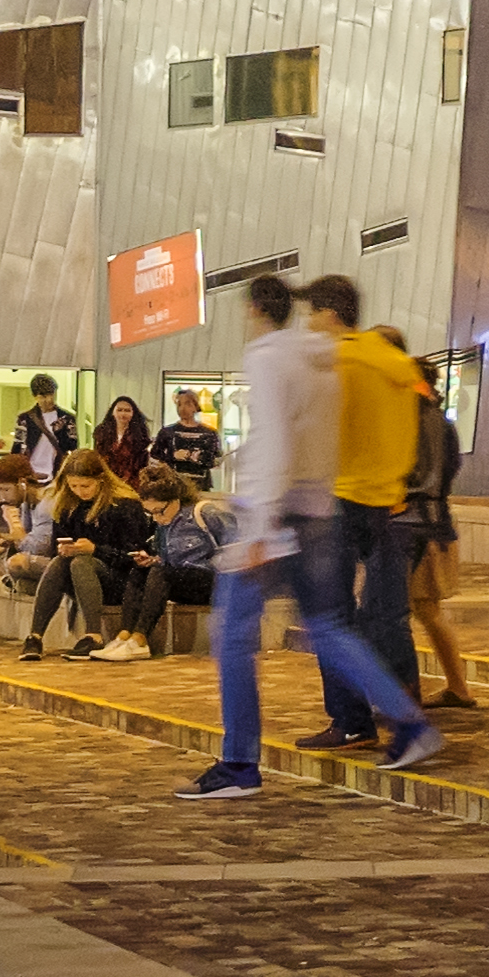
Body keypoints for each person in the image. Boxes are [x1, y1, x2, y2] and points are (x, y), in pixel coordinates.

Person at [184, 276, 431, 798]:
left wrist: (258, 527)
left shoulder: (270, 358)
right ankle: (410, 724)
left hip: (277, 516)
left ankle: (239, 764)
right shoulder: (327, 361)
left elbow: (274, 441)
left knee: (232, 635)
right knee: (329, 629)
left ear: (254, 310)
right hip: (321, 510)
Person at [308, 282, 432, 744]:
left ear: (331, 315)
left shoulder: (342, 359)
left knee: (330, 616)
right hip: (385, 502)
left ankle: (356, 721)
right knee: (385, 617)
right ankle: (403, 713)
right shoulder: (397, 365)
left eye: (314, 314)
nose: (310, 324)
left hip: (341, 497)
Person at [16, 419, 157, 659]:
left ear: (100, 481)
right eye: (73, 486)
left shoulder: (123, 504)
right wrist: (64, 550)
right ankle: (35, 636)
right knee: (61, 562)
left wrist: (95, 550)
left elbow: (134, 557)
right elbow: (55, 549)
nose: (80, 492)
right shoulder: (67, 505)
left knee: (82, 562)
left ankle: (94, 635)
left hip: (119, 579)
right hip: (78, 575)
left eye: (86, 486)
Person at [402, 361, 478, 707]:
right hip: (434, 521)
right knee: (423, 608)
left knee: (424, 608)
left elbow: (425, 475)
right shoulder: (436, 417)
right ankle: (455, 686)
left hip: (425, 525)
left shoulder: (423, 418)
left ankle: (455, 687)